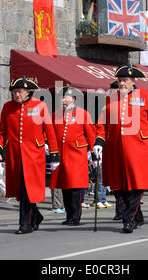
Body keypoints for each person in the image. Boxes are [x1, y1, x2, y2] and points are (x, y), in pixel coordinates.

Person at [94, 64, 148, 233]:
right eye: (119, 81)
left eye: (125, 80)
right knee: (121, 186)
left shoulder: (146, 96)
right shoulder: (111, 98)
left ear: (133, 81)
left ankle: (129, 219)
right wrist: (99, 142)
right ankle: (137, 216)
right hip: (116, 148)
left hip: (139, 147)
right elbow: (103, 123)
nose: (122, 84)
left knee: (136, 184)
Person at [0, 76, 59, 235]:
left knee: (28, 190)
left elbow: (49, 131)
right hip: (15, 155)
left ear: (28, 91)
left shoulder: (40, 105)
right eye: (14, 92)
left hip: (34, 155)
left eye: (19, 91)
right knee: (21, 191)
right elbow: (2, 132)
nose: (16, 95)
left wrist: (54, 154)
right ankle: (36, 216)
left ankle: (25, 224)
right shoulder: (8, 107)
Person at [50, 85, 96, 226]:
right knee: (64, 186)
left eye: (66, 97)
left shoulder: (83, 114)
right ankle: (69, 215)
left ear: (73, 99)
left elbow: (91, 135)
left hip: (76, 154)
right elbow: (51, 134)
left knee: (75, 187)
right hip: (61, 155)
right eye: (62, 97)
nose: (63, 100)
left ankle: (75, 216)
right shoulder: (56, 115)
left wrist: (94, 153)